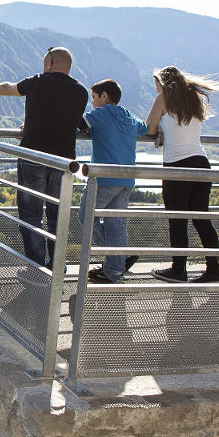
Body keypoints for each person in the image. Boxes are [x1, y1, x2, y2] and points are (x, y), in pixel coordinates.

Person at [0, 46, 88, 267]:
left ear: (50, 63)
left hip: (33, 155)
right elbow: (68, 118)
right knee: (58, 215)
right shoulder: (81, 91)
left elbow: (10, 88)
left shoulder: (37, 81)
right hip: (64, 161)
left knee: (30, 214)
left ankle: (36, 266)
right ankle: (57, 265)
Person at [144, 65, 219, 283]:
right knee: (201, 219)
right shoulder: (193, 99)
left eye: (156, 83)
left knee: (178, 220)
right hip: (201, 163)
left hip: (177, 165)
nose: (155, 87)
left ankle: (179, 270)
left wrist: (160, 130)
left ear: (162, 82)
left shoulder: (163, 99)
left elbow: (149, 128)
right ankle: (213, 271)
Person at [79, 79, 147, 284]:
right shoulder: (129, 116)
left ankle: (119, 258)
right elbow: (145, 129)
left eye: (94, 97)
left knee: (86, 217)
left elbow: (79, 124)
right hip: (126, 179)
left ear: (104, 96)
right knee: (116, 225)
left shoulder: (101, 113)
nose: (92, 103)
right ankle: (115, 271)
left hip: (104, 178)